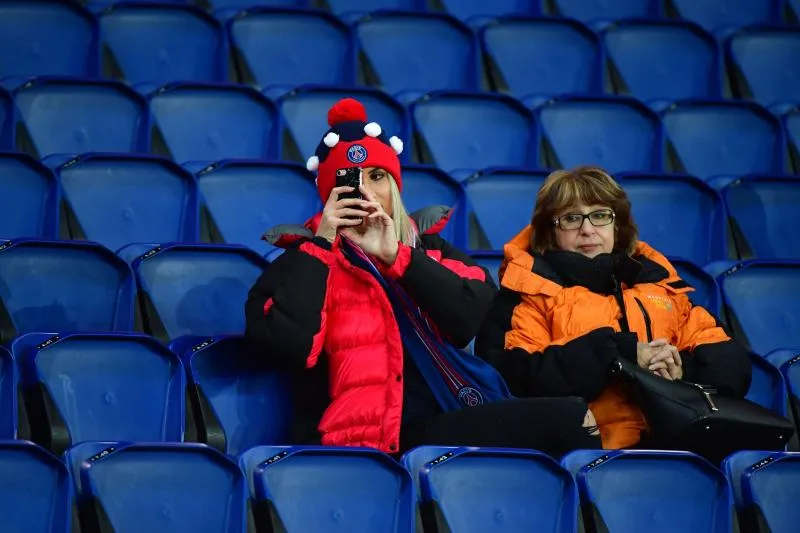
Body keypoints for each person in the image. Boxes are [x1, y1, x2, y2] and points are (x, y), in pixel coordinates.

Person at [245, 99, 600, 456]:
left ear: (394, 186)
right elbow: (290, 348)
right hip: (369, 438)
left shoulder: (429, 248)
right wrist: (323, 244)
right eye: (351, 179)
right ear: (329, 192)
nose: (366, 191)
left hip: (446, 412)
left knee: (578, 418)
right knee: (570, 419)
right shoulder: (301, 262)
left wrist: (397, 257)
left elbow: (471, 319)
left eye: (377, 176)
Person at [475, 166, 751, 450]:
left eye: (600, 215)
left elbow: (731, 363)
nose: (587, 230)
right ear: (549, 233)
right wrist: (619, 355)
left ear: (616, 226)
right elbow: (513, 377)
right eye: (571, 219)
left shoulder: (661, 286)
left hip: (677, 447)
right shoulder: (528, 295)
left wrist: (680, 369)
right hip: (587, 453)